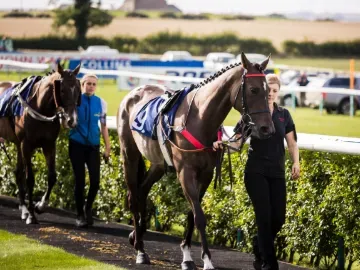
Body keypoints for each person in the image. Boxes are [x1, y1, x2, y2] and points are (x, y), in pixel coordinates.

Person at [213, 74, 300, 270]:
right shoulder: (250, 115)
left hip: (277, 172)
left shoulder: (284, 115)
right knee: (264, 217)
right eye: (268, 90)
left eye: (275, 91)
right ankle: (269, 263)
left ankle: (258, 244)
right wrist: (221, 145)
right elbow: (236, 143)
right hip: (256, 172)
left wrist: (296, 163)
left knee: (278, 218)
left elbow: (292, 143)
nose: (270, 94)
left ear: (279, 93)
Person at [69, 74, 111, 228]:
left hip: (93, 146)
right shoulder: (74, 101)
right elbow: (65, 123)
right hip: (76, 144)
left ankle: (88, 208)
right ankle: (79, 215)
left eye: (94, 84)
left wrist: (107, 146)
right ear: (82, 85)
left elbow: (104, 126)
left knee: (95, 182)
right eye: (88, 83)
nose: (91, 86)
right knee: (80, 181)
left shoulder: (101, 103)